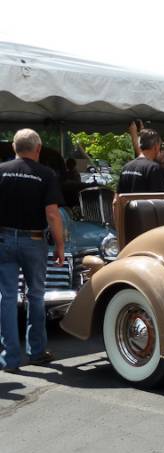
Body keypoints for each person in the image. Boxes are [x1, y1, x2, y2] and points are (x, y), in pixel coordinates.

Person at [0, 128, 65, 373]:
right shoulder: (45, 174)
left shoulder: (1, 171)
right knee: (36, 296)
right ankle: (36, 352)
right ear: (37, 149)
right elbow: (52, 214)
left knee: (6, 297)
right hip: (34, 241)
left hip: (3, 239)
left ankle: (9, 359)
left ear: (14, 148)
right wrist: (59, 245)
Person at [117, 124, 164, 194]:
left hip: (127, 205)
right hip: (146, 205)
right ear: (156, 146)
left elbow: (116, 200)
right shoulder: (153, 168)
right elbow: (159, 198)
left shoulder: (126, 167)